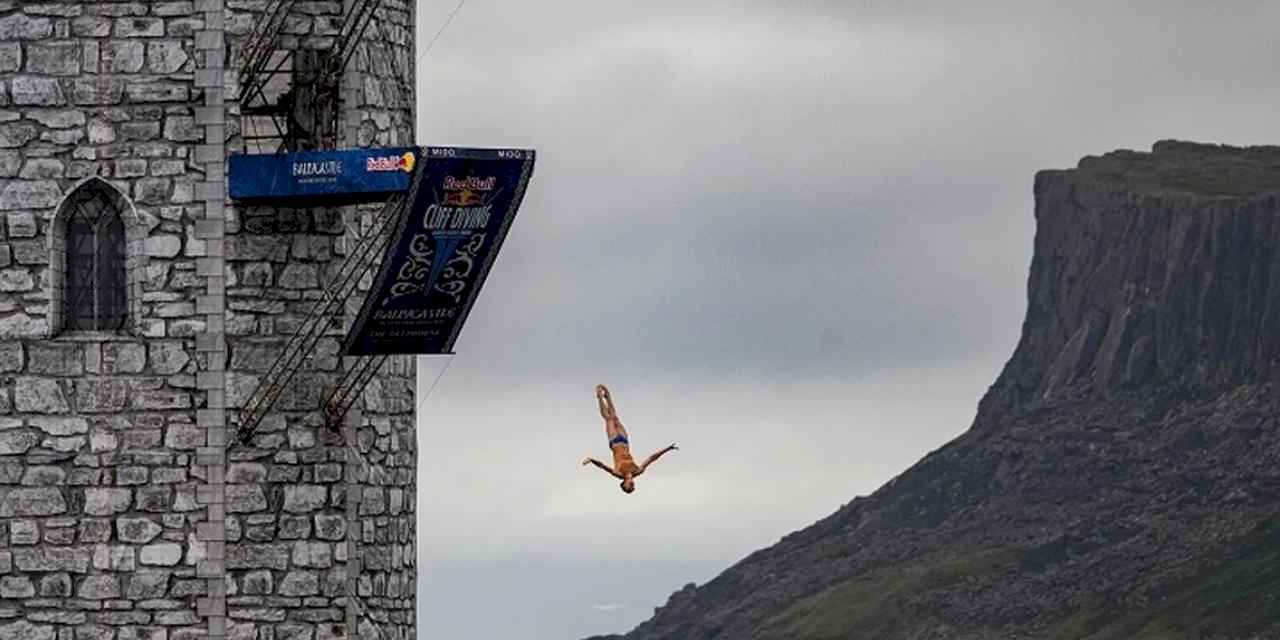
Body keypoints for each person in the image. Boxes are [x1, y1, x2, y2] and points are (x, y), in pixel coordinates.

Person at [581, 384, 677, 493]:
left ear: (624, 484)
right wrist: (667, 449)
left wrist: (591, 460)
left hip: (614, 442)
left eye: (629, 486)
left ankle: (599, 398)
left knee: (608, 419)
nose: (632, 485)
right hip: (625, 441)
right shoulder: (638, 471)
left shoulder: (618, 473)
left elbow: (603, 466)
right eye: (633, 487)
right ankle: (608, 396)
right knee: (615, 418)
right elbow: (652, 458)